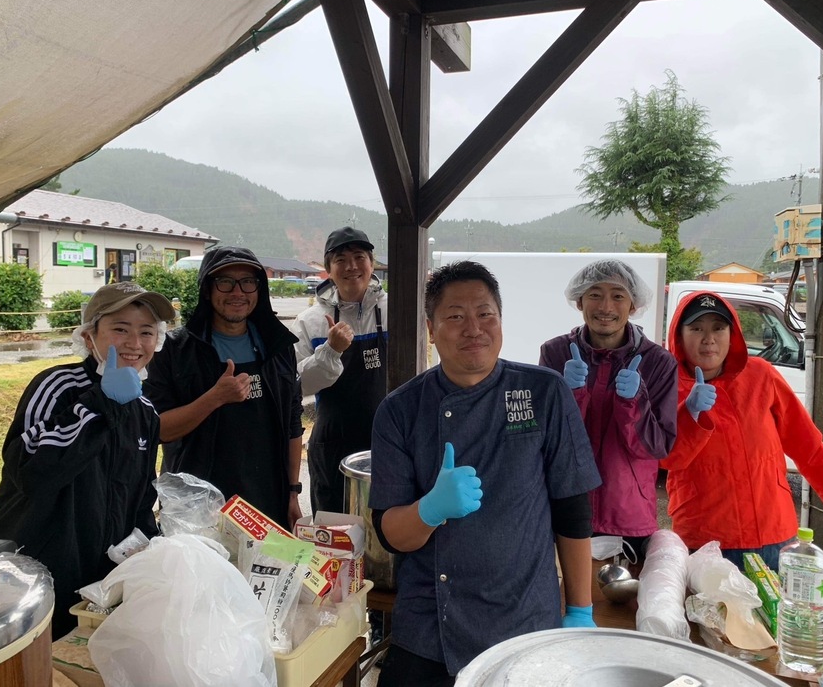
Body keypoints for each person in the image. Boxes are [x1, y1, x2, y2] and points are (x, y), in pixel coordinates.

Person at [369, 261, 602, 685]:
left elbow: (573, 512)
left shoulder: (544, 392)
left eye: (485, 314)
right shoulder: (400, 411)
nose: (473, 328)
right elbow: (389, 534)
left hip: (527, 618)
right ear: (431, 328)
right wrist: (429, 510)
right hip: (429, 626)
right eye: (455, 316)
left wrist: (580, 611)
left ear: (500, 320)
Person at [0, 282, 176, 639]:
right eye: (120, 329)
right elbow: (31, 472)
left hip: (102, 579)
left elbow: (138, 498)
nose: (135, 344)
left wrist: (150, 551)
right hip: (37, 571)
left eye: (147, 332)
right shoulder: (57, 385)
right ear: (90, 338)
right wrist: (100, 403)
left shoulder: (145, 411)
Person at [662, 290, 823, 570]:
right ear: (679, 336)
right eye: (696, 329)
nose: (709, 339)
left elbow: (804, 440)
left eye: (718, 328)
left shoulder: (761, 374)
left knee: (776, 611)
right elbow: (666, 457)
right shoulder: (667, 386)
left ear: (733, 334)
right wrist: (688, 414)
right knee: (710, 613)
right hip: (706, 537)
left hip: (773, 531)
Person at [144, 246, 305, 529]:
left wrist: (292, 492)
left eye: (247, 282)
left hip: (268, 498)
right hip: (198, 503)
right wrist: (215, 398)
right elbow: (158, 429)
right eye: (225, 282)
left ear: (259, 289)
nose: (237, 292)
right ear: (207, 290)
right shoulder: (174, 350)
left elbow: (293, 423)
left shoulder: (278, 346)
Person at [539, 259, 677, 563]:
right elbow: (545, 439)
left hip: (627, 513)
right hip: (566, 503)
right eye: (594, 294)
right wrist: (569, 394)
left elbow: (657, 446)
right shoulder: (554, 352)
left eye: (618, 295)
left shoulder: (658, 362)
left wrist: (634, 402)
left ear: (633, 304)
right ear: (579, 301)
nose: (606, 306)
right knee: (564, 598)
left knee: (621, 601)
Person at [291, 226, 387, 513]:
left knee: (385, 525)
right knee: (333, 527)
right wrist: (330, 350)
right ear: (328, 269)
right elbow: (297, 385)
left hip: (388, 437)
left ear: (372, 264)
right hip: (332, 440)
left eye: (359, 257)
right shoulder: (310, 321)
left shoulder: (397, 310)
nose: (351, 267)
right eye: (341, 260)